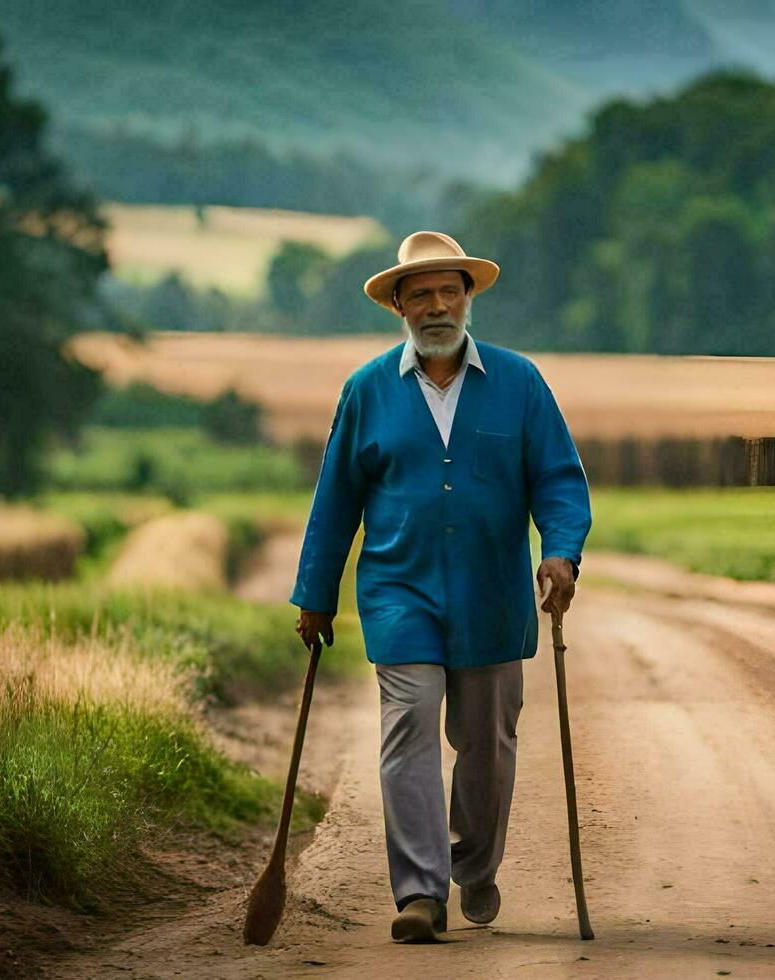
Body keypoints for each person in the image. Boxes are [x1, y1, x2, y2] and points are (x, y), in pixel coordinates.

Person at [289, 230, 593, 943]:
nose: (436, 306)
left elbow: (557, 480)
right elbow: (335, 499)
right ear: (398, 304)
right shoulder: (366, 391)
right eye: (420, 293)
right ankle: (421, 892)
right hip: (400, 592)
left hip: (494, 593)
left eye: (448, 291)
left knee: (487, 741)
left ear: (468, 298)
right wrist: (315, 592)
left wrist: (562, 556)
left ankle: (474, 865)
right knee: (409, 730)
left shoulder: (520, 384)